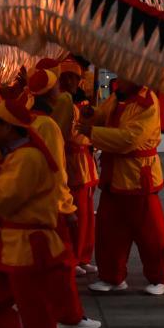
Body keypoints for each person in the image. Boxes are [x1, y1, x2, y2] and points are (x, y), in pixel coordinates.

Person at [0, 88, 71, 328]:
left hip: (27, 248)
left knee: (37, 314)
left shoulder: (28, 158)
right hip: (7, 244)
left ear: (9, 128)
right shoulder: (14, 155)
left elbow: (1, 199)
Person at [79, 78, 164, 296]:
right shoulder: (118, 96)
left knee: (150, 233)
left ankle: (160, 277)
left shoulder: (147, 102)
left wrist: (92, 133)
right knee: (108, 230)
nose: (119, 79)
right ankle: (112, 276)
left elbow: (130, 139)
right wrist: (90, 114)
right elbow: (102, 116)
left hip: (138, 176)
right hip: (114, 175)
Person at [27, 65, 101, 328]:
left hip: (27, 200)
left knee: (16, 258)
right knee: (60, 260)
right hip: (50, 201)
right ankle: (68, 315)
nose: (65, 85)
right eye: (60, 81)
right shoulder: (47, 124)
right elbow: (56, 167)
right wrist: (65, 204)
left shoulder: (28, 118)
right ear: (50, 91)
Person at [57, 58, 98, 275]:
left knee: (87, 215)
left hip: (85, 162)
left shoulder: (80, 102)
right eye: (67, 77)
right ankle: (72, 256)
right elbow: (66, 134)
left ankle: (83, 255)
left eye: (74, 77)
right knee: (75, 213)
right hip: (73, 163)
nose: (72, 81)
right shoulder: (64, 103)